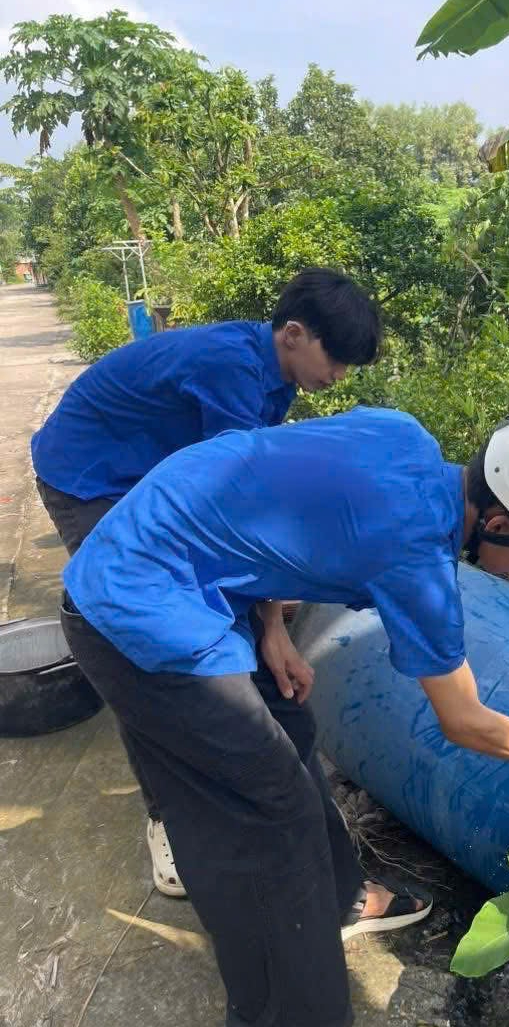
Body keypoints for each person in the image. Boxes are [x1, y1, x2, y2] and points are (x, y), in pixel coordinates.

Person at [60, 406, 509, 1027]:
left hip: (181, 567)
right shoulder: (415, 560)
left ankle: (336, 900)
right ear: (496, 524)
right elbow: (466, 722)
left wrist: (272, 626)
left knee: (292, 725)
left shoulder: (403, 438)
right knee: (267, 818)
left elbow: (270, 495)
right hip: (132, 605)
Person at [32, 267, 381, 900]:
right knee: (141, 643)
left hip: (143, 471)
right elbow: (236, 512)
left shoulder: (277, 376)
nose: (338, 377)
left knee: (206, 621)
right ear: (294, 334)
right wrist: (270, 620)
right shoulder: (232, 370)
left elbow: (243, 508)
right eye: (335, 360)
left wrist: (270, 623)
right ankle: (166, 819)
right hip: (91, 477)